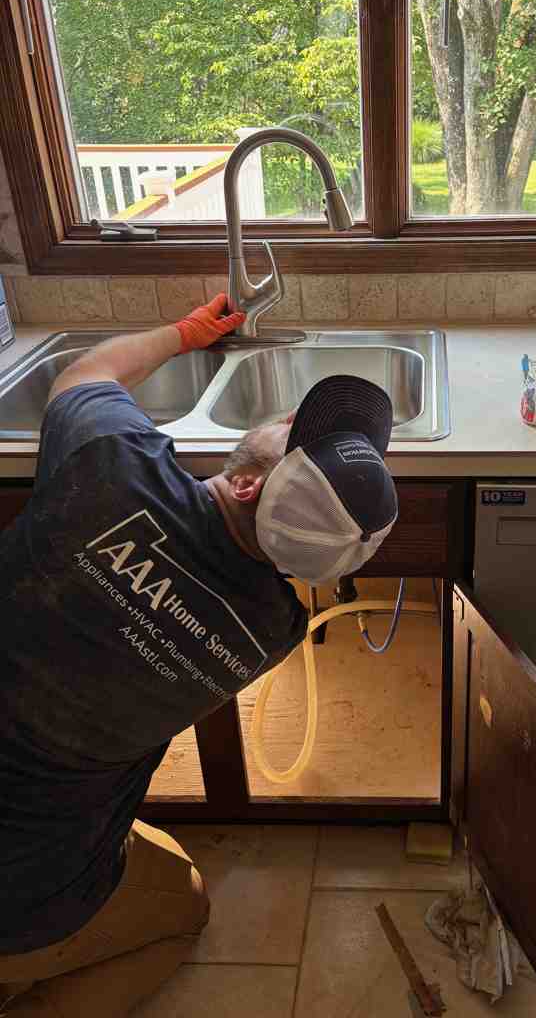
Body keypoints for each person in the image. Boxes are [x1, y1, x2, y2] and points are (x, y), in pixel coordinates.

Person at [0, 294, 399, 1016]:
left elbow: (91, 371)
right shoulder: (268, 633)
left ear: (246, 482)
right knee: (164, 880)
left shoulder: (112, 468)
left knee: (183, 908)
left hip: (19, 905)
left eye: (292, 435)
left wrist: (184, 333)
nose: (286, 422)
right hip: (36, 875)